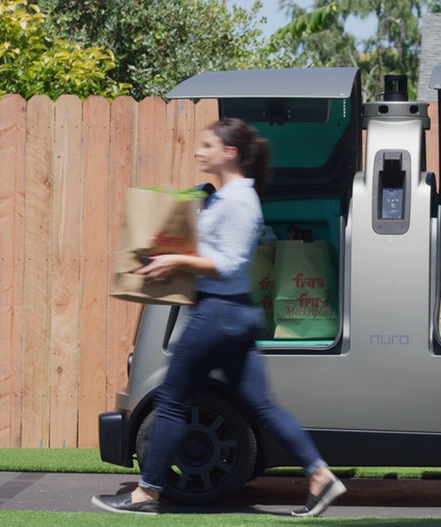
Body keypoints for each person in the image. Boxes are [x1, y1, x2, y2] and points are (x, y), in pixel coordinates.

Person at [92, 118, 345, 517]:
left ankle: (146, 494)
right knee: (263, 407)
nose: (199, 151)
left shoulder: (240, 201)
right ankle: (319, 476)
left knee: (173, 400)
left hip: (218, 312)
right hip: (235, 315)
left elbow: (228, 264)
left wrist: (176, 260)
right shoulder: (228, 197)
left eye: (207, 145)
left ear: (229, 153)